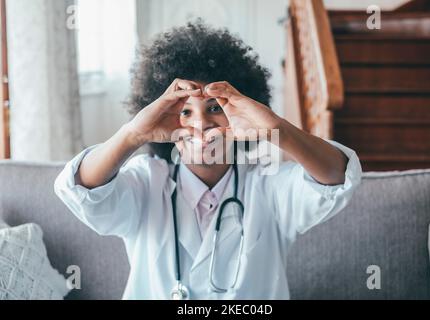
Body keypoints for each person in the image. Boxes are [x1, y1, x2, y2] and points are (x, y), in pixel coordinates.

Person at [54, 22, 362, 300]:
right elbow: (82, 189)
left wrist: (276, 129)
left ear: (241, 110)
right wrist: (134, 133)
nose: (201, 125)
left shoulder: (268, 185)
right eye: (185, 112)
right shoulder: (146, 182)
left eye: (214, 108)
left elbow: (336, 178)